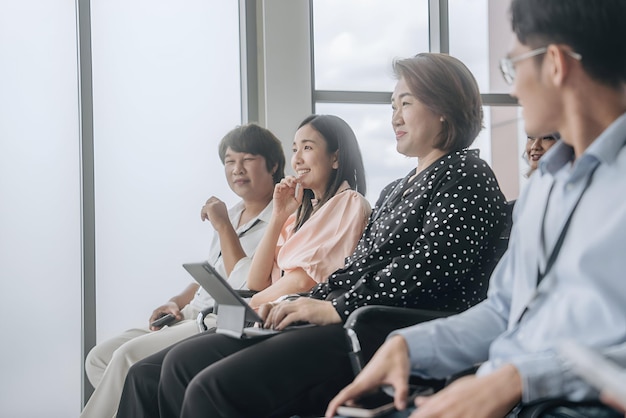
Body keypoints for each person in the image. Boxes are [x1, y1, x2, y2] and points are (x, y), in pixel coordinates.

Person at [116, 53, 507, 418]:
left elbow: (431, 267)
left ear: (443, 110)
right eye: (392, 106)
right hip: (347, 315)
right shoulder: (397, 189)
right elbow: (355, 267)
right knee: (178, 365)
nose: (394, 117)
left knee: (211, 389)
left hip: (379, 331)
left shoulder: (465, 174)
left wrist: (336, 307)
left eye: (406, 103)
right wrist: (305, 302)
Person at [326, 1, 626, 417]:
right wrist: (410, 345)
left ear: (555, 64)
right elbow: (506, 310)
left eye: (513, 68)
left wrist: (520, 378)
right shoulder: (545, 188)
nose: (514, 90)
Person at [80, 123, 285, 418]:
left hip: (219, 319)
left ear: (273, 164)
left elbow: (243, 281)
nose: (237, 169)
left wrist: (223, 226)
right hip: (190, 313)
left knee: (126, 359)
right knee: (99, 358)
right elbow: (213, 275)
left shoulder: (279, 218)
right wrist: (176, 302)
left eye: (248, 159)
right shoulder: (232, 213)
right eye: (230, 161)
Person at [244, 114, 371, 308]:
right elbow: (256, 282)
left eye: (307, 148)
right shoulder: (298, 217)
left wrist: (251, 306)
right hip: (275, 315)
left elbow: (304, 281)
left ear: (335, 157)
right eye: (295, 149)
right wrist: (278, 217)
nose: (297, 159)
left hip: (303, 321)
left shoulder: (349, 204)